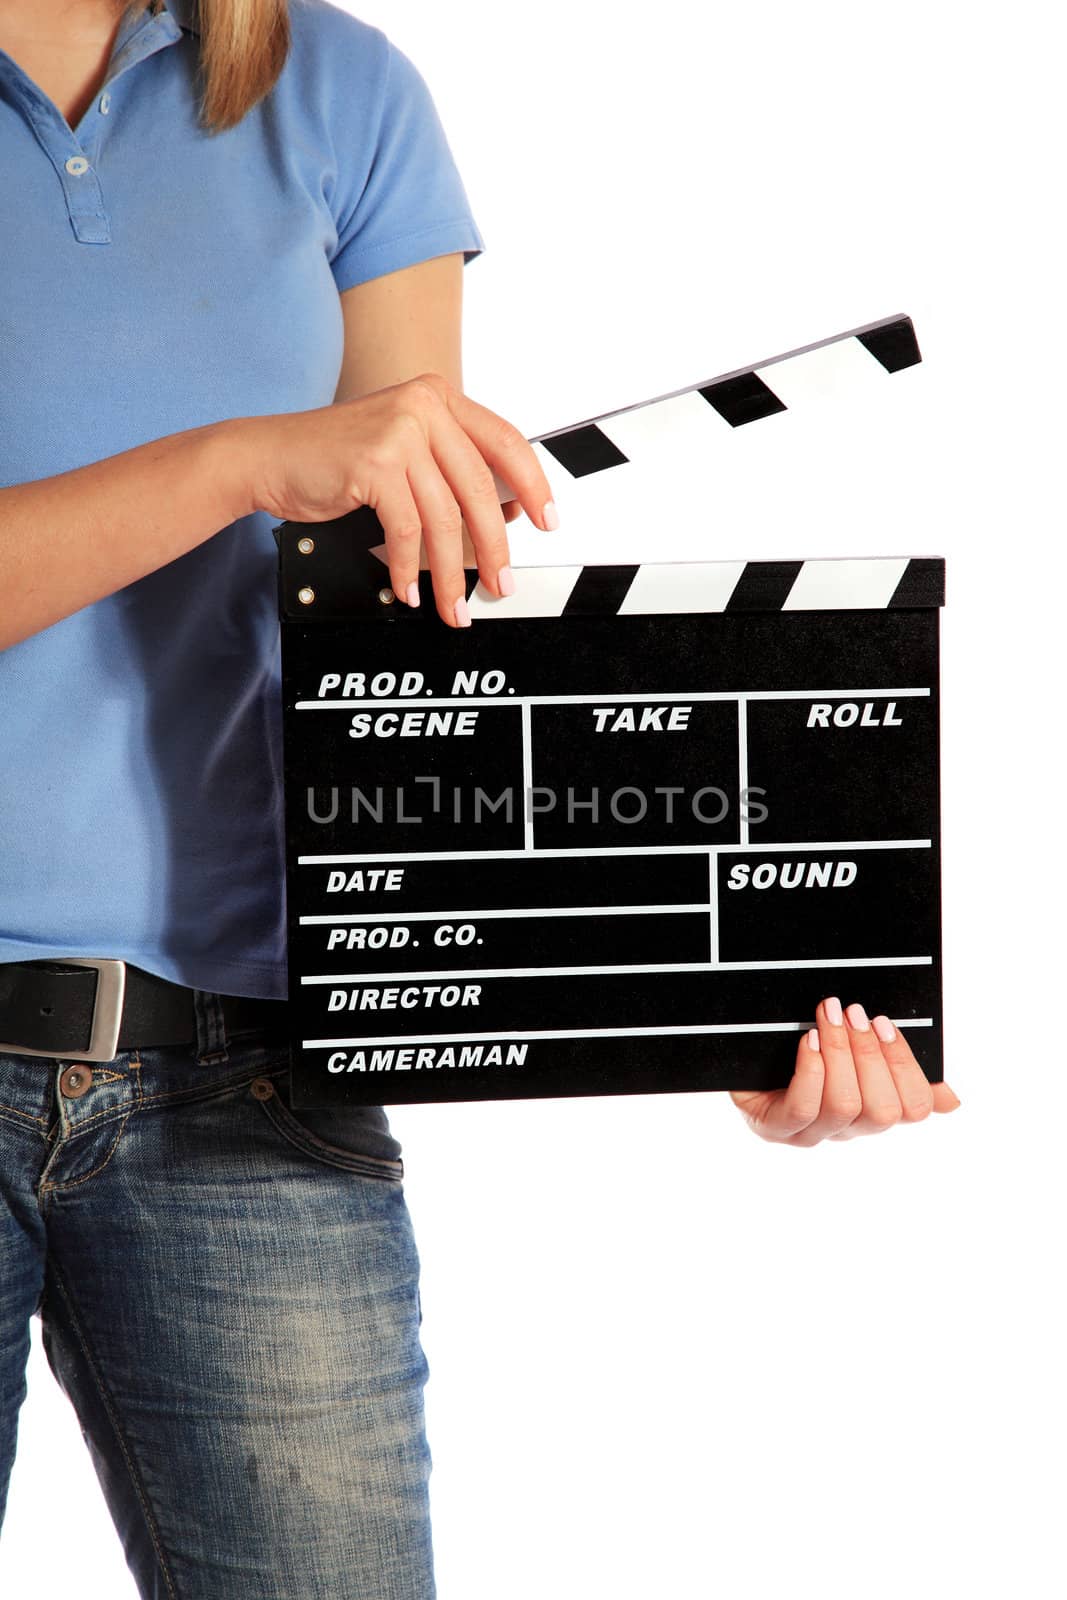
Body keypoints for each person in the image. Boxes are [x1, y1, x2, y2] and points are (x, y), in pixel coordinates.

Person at [0, 0, 962, 1594]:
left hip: (254, 1076)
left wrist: (691, 998)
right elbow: (300, 470)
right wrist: (243, 460)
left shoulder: (341, 91)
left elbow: (402, 632)